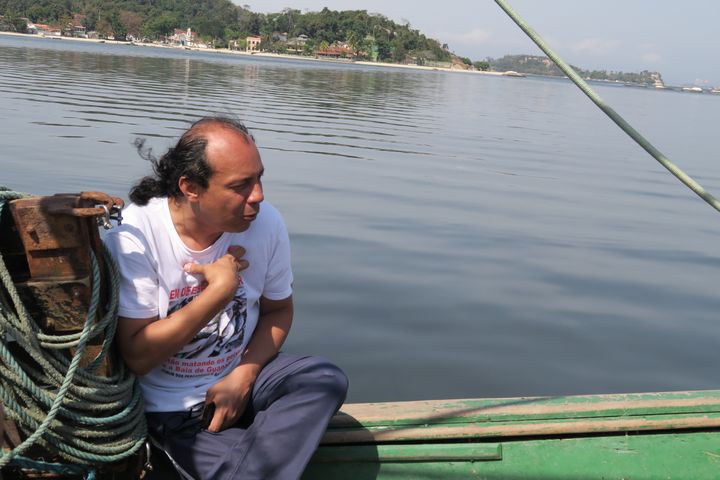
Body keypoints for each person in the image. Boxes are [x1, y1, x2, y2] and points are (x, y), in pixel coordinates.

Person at [103, 116, 348, 480]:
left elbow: (278, 311)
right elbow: (138, 356)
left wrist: (243, 376)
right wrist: (218, 293)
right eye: (241, 186)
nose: (259, 196)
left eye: (259, 178)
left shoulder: (266, 225)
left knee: (323, 378)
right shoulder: (134, 235)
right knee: (246, 465)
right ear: (190, 187)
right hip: (172, 409)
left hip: (240, 378)